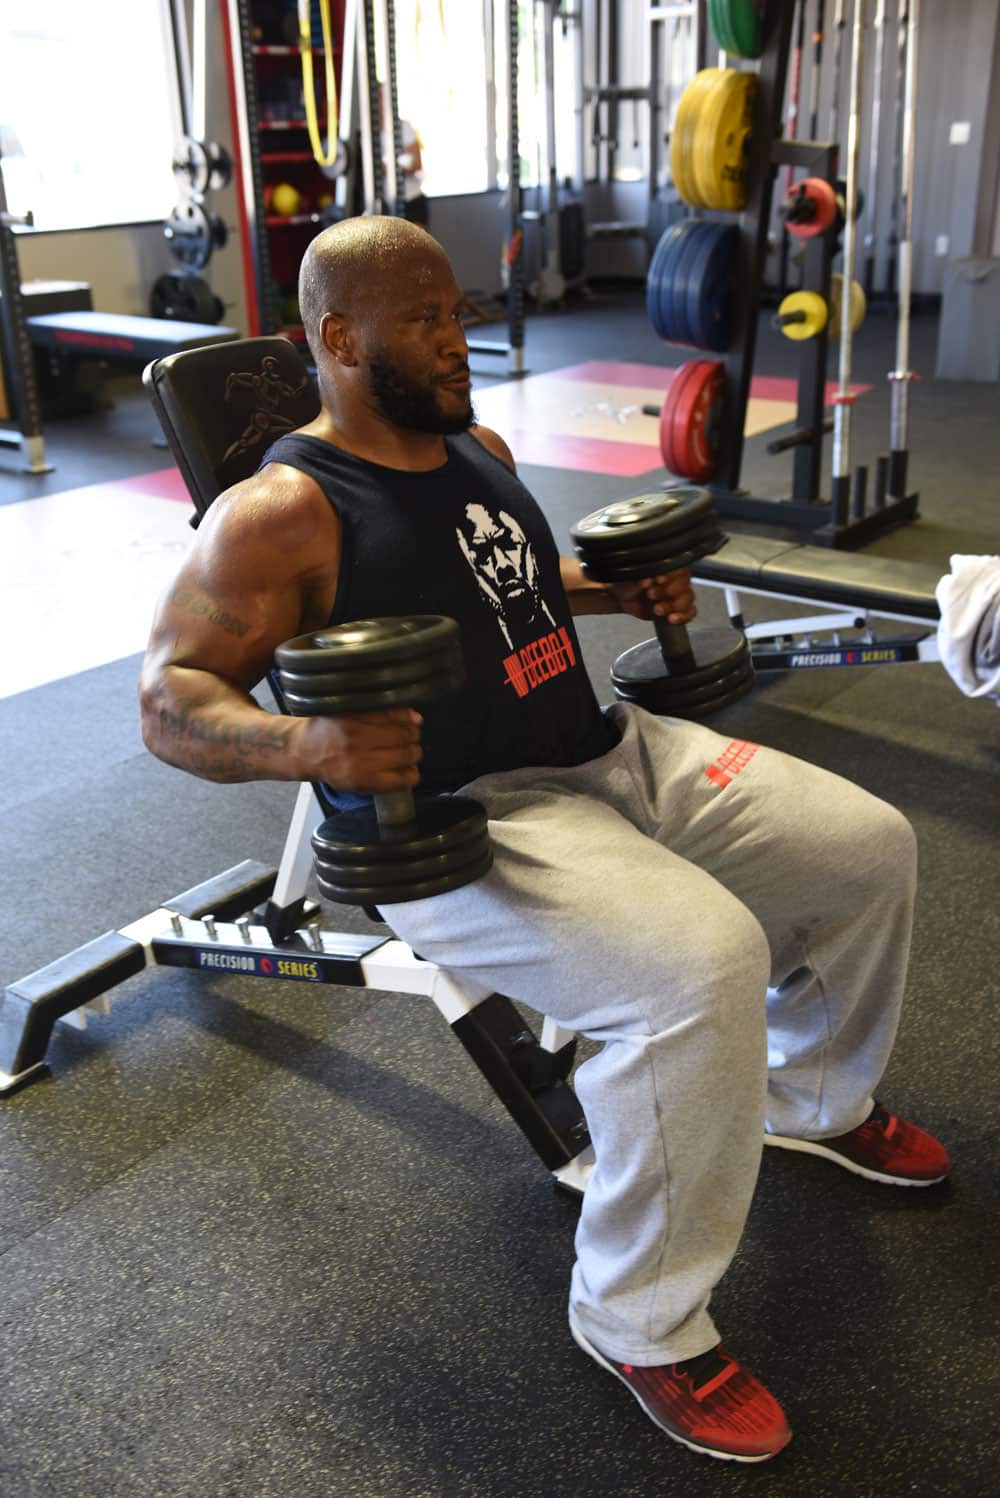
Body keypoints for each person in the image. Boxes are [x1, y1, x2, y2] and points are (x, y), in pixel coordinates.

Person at [139, 216, 950, 1466]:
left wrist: (607, 588)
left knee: (865, 843)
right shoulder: (280, 513)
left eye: (459, 312)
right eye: (426, 321)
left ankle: (815, 1098)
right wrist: (306, 749)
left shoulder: (478, 445)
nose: (458, 340)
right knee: (700, 966)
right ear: (341, 340)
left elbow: (498, 576)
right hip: (467, 818)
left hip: (605, 747)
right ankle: (638, 1318)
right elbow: (169, 696)